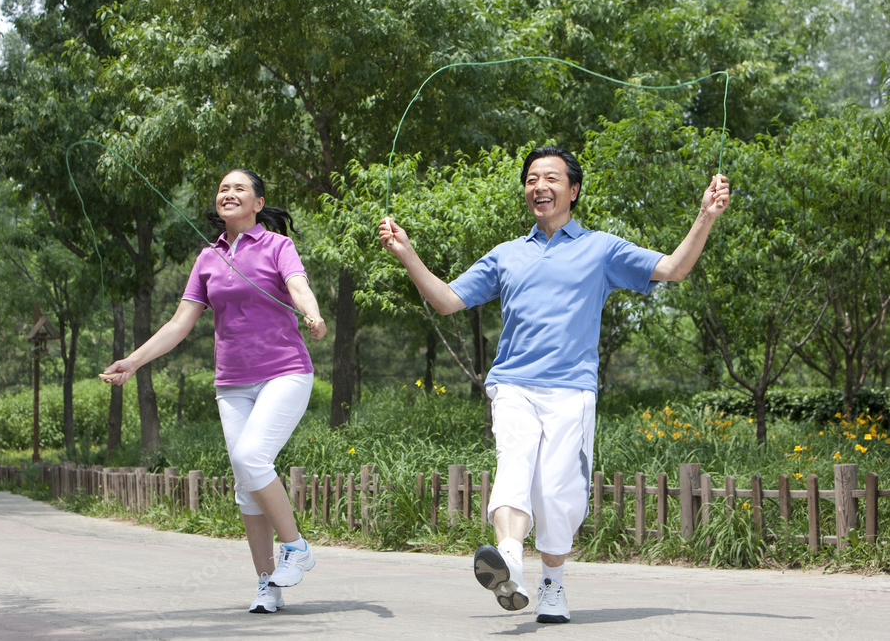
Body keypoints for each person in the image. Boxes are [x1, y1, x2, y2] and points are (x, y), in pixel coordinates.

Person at [378, 145, 729, 624]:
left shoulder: (601, 248)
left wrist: (705, 216)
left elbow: (673, 268)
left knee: (557, 492)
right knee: (514, 465)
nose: (538, 186)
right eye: (530, 179)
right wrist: (407, 253)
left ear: (573, 190)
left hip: (571, 391)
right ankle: (508, 558)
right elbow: (446, 300)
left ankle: (552, 583)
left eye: (551, 178)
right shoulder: (506, 255)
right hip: (514, 385)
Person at [102, 168, 327, 615]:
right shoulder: (209, 257)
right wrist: (133, 361)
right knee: (247, 486)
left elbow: (299, 286)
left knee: (251, 459)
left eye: (239, 188)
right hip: (232, 384)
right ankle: (268, 584)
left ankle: (297, 547)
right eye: (223, 189)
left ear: (258, 203)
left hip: (285, 372)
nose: (229, 193)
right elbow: (179, 323)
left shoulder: (278, 246)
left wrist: (313, 314)